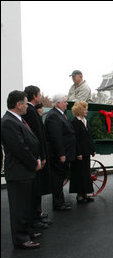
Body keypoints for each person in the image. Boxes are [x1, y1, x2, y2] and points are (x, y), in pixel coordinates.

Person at [1, 90, 42, 249]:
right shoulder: (8, 122)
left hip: (25, 171)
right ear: (18, 105)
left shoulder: (16, 120)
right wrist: (34, 163)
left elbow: (28, 143)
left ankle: (28, 231)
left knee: (26, 205)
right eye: (25, 103)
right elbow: (20, 149)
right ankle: (21, 238)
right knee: (19, 208)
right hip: (19, 172)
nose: (27, 106)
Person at [22, 86, 52, 229]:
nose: (41, 96)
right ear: (34, 96)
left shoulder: (32, 110)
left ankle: (37, 214)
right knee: (35, 190)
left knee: (36, 189)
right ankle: (35, 218)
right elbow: (36, 136)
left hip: (38, 155)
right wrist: (42, 155)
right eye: (39, 94)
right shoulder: (30, 111)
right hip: (36, 157)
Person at [45, 94, 76, 211]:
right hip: (58, 155)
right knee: (57, 179)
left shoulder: (59, 114)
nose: (66, 103)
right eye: (64, 102)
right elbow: (56, 138)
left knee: (59, 178)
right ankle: (58, 203)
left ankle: (60, 202)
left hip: (63, 153)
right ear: (58, 103)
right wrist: (61, 154)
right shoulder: (54, 116)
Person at [69, 101, 96, 204]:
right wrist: (78, 153)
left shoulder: (85, 121)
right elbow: (75, 139)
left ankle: (85, 194)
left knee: (85, 174)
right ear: (79, 110)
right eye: (85, 109)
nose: (86, 111)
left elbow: (89, 137)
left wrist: (92, 149)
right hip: (79, 153)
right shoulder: (75, 122)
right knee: (79, 174)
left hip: (86, 152)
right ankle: (79, 195)